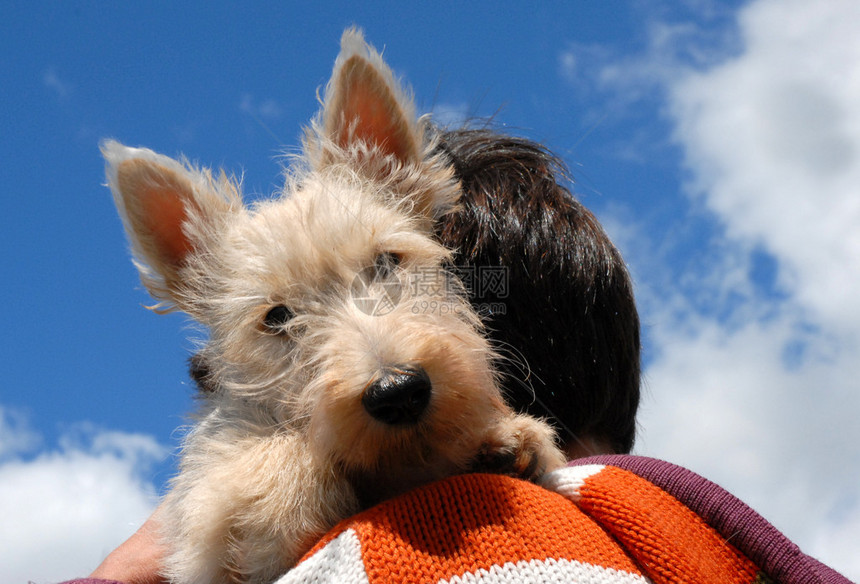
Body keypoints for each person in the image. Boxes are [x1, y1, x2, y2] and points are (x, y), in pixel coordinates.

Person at [64, 130, 850, 583]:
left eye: (390, 268)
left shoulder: (520, 531)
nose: (376, 343)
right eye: (279, 320)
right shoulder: (699, 521)